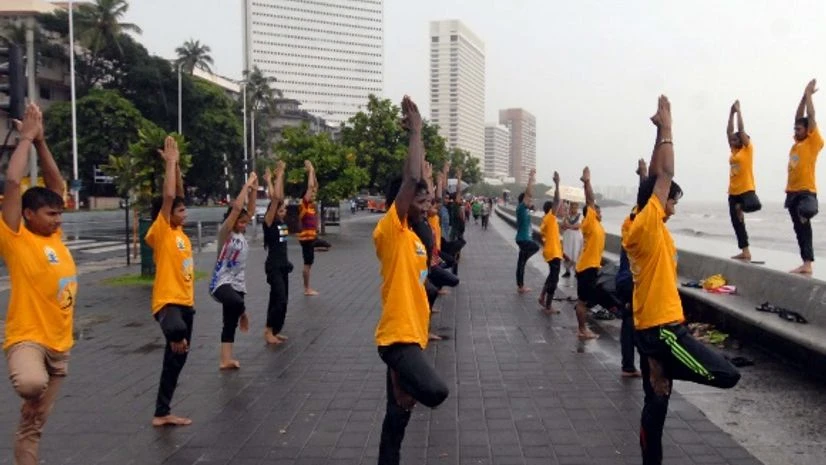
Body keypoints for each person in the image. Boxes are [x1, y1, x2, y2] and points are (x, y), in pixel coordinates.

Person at [625, 95, 740, 465]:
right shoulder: (645, 226)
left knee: (656, 403)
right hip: (663, 333)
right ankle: (666, 364)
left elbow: (655, 179)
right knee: (726, 375)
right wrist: (670, 129)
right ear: (657, 202)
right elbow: (665, 176)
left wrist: (658, 132)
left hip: (652, 328)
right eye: (670, 201)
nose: (673, 206)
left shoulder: (645, 225)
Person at [373, 96, 449, 465]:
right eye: (421, 200)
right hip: (397, 339)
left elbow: (423, 186)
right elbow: (412, 179)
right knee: (434, 391)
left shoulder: (417, 239)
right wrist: (416, 131)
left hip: (411, 337)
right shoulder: (391, 230)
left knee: (397, 421)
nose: (427, 203)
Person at [1, 104, 77, 465]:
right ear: (28, 214)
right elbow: (14, 183)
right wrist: (26, 139)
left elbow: (57, 185)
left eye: (59, 214)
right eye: (50, 214)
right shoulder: (16, 235)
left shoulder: (55, 236)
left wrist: (43, 142)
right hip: (28, 338)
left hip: (60, 346)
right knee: (32, 386)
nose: (57, 220)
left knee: (33, 425)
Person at [145, 136, 196, 427]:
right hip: (168, 302)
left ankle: (162, 412)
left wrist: (176, 171)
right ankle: (162, 411)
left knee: (177, 360)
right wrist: (171, 163)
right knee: (176, 332)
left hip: (186, 303)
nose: (184, 212)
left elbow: (176, 194)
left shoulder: (181, 235)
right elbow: (168, 197)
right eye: (181, 211)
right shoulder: (161, 232)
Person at [209, 173, 258, 369]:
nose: (243, 225)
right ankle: (243, 313)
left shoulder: (242, 234)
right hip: (221, 282)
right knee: (236, 304)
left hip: (238, 283)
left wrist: (254, 190)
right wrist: (246, 185)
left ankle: (225, 359)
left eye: (245, 222)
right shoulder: (225, 233)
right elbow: (238, 208)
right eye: (240, 222)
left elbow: (250, 210)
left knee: (229, 323)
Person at [786, 79, 824, 274]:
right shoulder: (797, 144)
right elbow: (798, 116)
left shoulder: (812, 142)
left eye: (799, 129)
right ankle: (805, 263)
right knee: (799, 229)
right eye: (795, 129)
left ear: (807, 130)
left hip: (806, 192)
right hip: (792, 192)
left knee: (804, 222)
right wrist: (802, 96)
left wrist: (809, 96)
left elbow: (810, 115)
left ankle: (808, 263)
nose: (796, 131)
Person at [616, 158, 648, 378]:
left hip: (625, 279)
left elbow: (643, 204)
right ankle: (635, 364)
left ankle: (628, 364)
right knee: (637, 324)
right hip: (632, 281)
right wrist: (643, 176)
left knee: (629, 322)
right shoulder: (635, 227)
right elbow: (646, 203)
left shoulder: (627, 226)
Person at [262, 162, 293, 345]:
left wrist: (272, 180)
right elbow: (275, 199)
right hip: (273, 266)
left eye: (284, 210)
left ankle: (274, 329)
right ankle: (268, 330)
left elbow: (277, 198)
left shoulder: (282, 223)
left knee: (281, 299)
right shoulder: (269, 223)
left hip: (283, 266)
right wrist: (279, 175)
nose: (284, 212)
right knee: (279, 298)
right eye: (281, 210)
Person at [727, 100, 759, 261]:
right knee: (737, 223)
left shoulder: (747, 150)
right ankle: (745, 251)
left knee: (746, 211)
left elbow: (740, 130)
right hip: (733, 191)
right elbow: (729, 132)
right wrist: (731, 113)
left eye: (737, 139)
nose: (732, 141)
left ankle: (741, 207)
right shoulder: (734, 151)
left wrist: (739, 112)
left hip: (746, 189)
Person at [574, 166, 604, 340]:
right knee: (582, 301)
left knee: (584, 300)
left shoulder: (597, 225)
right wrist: (587, 182)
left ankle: (582, 328)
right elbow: (590, 200)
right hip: (587, 267)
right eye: (597, 211)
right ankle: (582, 330)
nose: (600, 213)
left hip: (591, 267)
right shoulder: (590, 222)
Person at [538, 171, 564, 314]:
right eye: (556, 208)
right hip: (553, 253)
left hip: (553, 252)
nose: (559, 209)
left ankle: (542, 297)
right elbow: (556, 200)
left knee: (551, 275)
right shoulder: (550, 218)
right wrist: (557, 184)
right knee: (554, 279)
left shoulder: (548, 220)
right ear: (551, 210)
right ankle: (548, 306)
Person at [298, 160, 324, 295]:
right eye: (311, 194)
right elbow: (310, 187)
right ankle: (307, 288)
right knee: (307, 263)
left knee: (325, 246)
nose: (314, 194)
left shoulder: (311, 207)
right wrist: (311, 170)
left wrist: (313, 174)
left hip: (312, 237)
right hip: (307, 238)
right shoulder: (304, 204)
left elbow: (315, 186)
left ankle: (318, 247)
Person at [515, 168, 540, 293]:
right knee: (536, 247)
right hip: (523, 239)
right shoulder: (520, 208)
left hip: (525, 238)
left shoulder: (525, 210)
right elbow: (528, 193)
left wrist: (532, 208)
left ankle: (520, 286)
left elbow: (530, 200)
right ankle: (521, 285)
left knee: (521, 263)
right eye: (529, 201)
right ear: (523, 201)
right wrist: (531, 178)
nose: (530, 201)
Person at [561, 202, 583, 278]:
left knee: (576, 253)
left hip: (576, 238)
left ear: (577, 207)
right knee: (567, 254)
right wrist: (565, 218)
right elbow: (562, 226)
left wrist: (568, 226)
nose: (573, 209)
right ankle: (567, 271)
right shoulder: (567, 216)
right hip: (568, 238)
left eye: (575, 207)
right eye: (572, 207)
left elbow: (578, 226)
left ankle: (577, 271)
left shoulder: (580, 216)